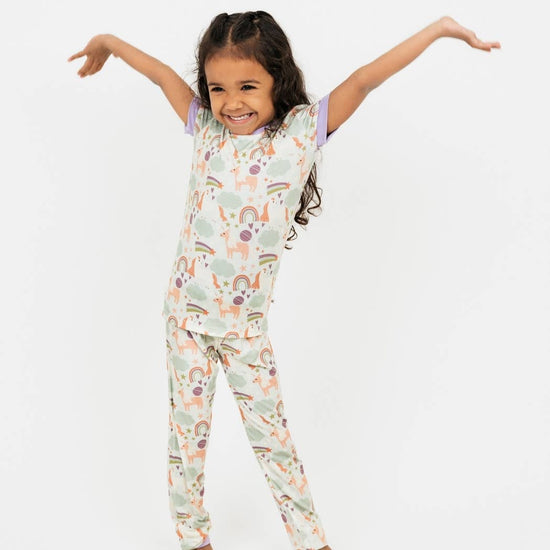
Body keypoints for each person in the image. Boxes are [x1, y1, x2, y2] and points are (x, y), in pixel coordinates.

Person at [68, 11, 500, 550]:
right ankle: (194, 538)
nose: (232, 102)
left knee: (274, 442)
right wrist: (109, 40)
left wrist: (438, 30)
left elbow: (365, 79)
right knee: (187, 440)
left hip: (245, 332)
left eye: (248, 86)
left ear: (278, 80)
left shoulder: (299, 135)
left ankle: (311, 541)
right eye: (218, 88)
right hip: (185, 320)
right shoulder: (206, 129)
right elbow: (161, 75)